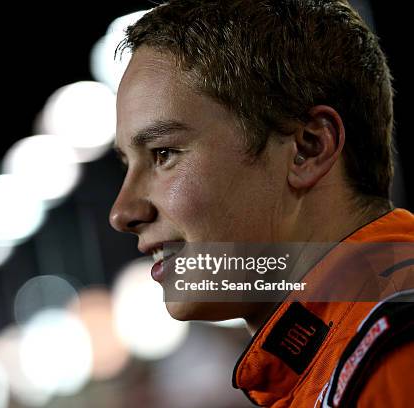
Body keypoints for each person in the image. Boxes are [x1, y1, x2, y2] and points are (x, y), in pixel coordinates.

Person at [108, 0, 414, 406]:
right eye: (128, 164)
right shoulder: (339, 360)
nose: (123, 212)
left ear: (308, 148)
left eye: (164, 154)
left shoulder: (392, 357)